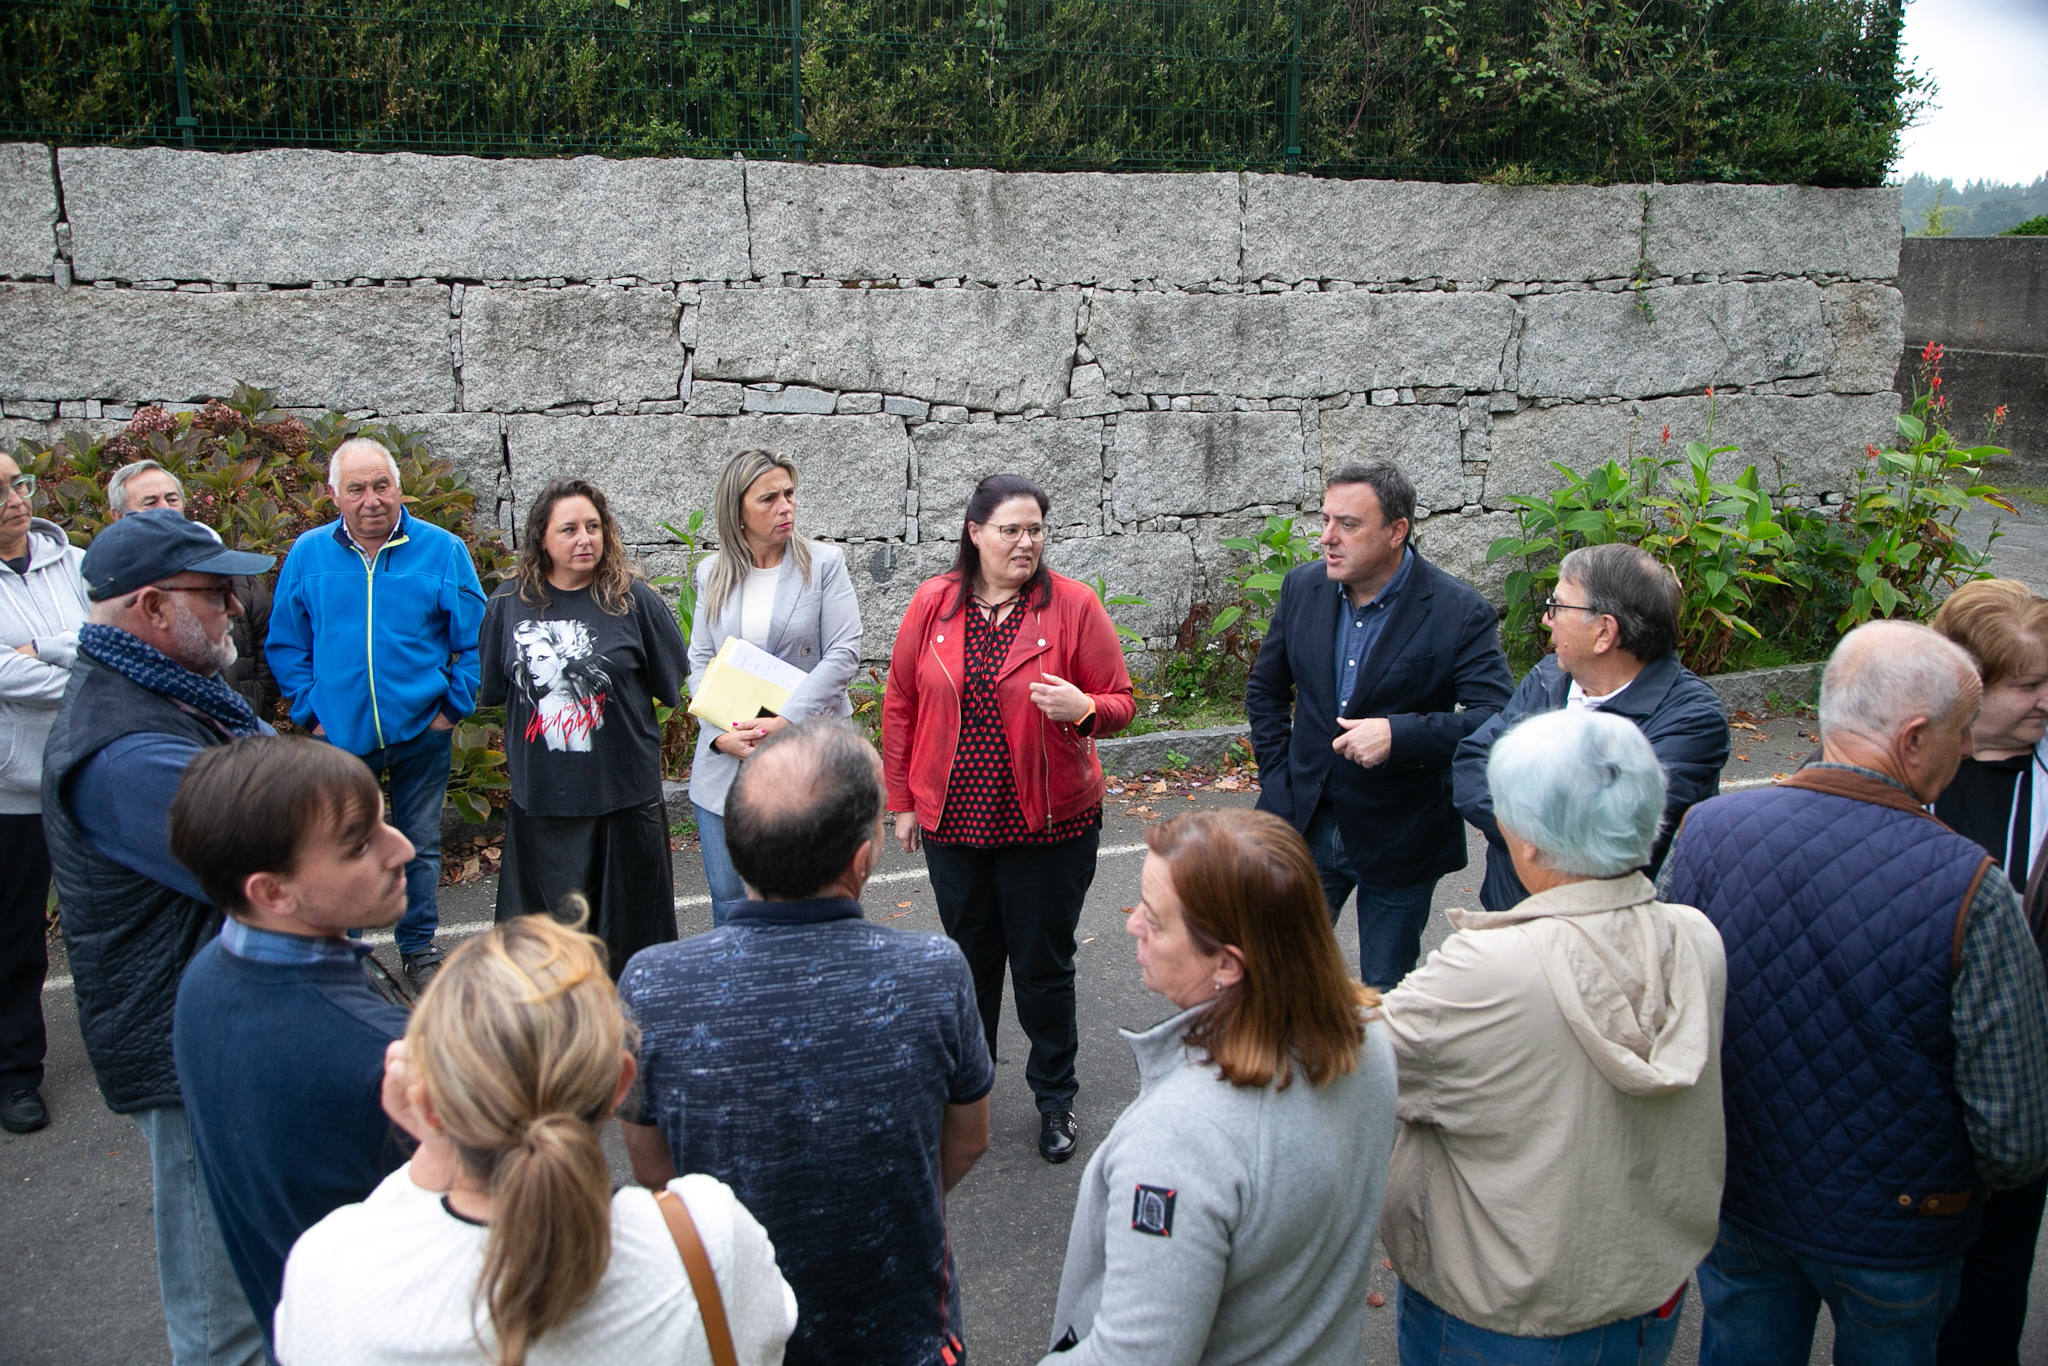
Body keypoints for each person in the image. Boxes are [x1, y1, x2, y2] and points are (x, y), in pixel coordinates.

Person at [1659, 620, 2048, 1366]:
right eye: (1961, 731)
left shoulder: (1706, 831)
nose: (1969, 747)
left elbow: (1663, 1010)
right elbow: (2014, 1139)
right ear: (1914, 738)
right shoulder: (1973, 889)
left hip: (1741, 1201)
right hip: (1901, 1229)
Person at [620, 722, 992, 1366]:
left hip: (732, 1328)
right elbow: (969, 1139)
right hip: (902, 1331)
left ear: (735, 846)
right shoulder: (934, 972)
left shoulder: (653, 984)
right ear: (861, 860)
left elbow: (653, 1170)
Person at [276, 912, 797, 1366]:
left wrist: (430, 1142)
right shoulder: (707, 1238)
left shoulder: (330, 1272)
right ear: (620, 1083)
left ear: (431, 1105)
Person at [1380, 708, 1727, 1363]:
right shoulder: (1695, 939)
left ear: (1529, 842)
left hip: (1501, 1311)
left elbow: (1359, 1062)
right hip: (1642, 1286)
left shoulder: (1491, 967)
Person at [43, 511, 276, 1366]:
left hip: (216, 1028)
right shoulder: (125, 750)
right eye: (215, 592)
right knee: (222, 1317)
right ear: (150, 606)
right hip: (183, 1055)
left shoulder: (174, 693)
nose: (234, 608)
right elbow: (275, 859)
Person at [1041, 807, 1397, 1362]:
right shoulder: (1366, 1040)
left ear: (1229, 965)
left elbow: (1135, 1354)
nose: (1133, 924)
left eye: (1155, 918)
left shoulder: (1179, 1140)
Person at [883, 473, 1134, 1163]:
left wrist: (1084, 708)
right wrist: (901, 801)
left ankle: (1055, 1098)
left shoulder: (1073, 606)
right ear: (975, 533)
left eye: (1035, 530)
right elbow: (901, 702)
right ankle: (971, 1096)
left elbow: (1120, 701)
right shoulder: (933, 603)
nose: (1026, 543)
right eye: (1011, 530)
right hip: (955, 821)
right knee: (970, 967)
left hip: (1049, 825)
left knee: (1042, 968)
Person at [169, 735, 415, 1349]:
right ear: (273, 892)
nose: (403, 848)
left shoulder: (206, 978)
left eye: (384, 820)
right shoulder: (381, 1057)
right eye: (360, 845)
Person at [1246, 461, 1512, 987]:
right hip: (1305, 821)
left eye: (1348, 524)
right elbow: (1266, 690)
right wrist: (1279, 778)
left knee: (1387, 994)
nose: (1327, 537)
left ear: (1397, 531)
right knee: (1278, 981)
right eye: (1326, 520)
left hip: (1401, 833)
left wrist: (1400, 735)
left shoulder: (1459, 611)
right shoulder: (1303, 587)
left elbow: (1497, 717)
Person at [267, 437, 487, 990]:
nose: (371, 500)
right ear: (334, 496)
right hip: (338, 739)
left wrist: (450, 710)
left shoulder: (442, 550)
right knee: (341, 848)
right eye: (356, 489)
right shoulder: (308, 554)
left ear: (399, 488)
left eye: (381, 485)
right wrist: (311, 714)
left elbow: (477, 640)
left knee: (419, 847)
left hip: (422, 732)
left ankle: (419, 949)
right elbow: (287, 643)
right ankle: (348, 957)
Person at [479, 478, 689, 969]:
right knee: (546, 958)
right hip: (544, 804)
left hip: (625, 802)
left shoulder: (634, 600)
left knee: (632, 950)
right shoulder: (506, 605)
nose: (584, 539)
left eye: (593, 527)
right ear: (541, 538)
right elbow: (495, 690)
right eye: (569, 529)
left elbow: (675, 681)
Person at [1455, 542, 1728, 912]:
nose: (1546, 619)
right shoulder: (1548, 678)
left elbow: (1617, 829)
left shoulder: (1691, 719)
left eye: (1557, 606)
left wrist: (1518, 818)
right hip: (1512, 913)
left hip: (1609, 930)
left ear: (1604, 632)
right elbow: (1472, 762)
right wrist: (1542, 825)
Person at [1927, 579, 2048, 1366]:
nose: (2047, 701)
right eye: (2028, 685)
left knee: (1997, 1271)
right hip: (1922, 1075)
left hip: (2021, 1072)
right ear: (1968, 685)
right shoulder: (1907, 761)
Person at [686, 449, 862, 925]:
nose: (786, 506)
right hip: (728, 761)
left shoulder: (824, 563)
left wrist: (785, 720)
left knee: (813, 900)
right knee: (731, 906)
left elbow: (843, 653)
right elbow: (700, 661)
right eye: (769, 498)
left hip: (808, 755)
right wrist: (719, 734)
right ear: (738, 510)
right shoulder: (711, 572)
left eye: (789, 493)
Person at [0, 452, 89, 1134]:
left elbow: (111, 640)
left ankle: (135, 1046)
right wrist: (77, 658)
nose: (14, 499)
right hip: (14, 791)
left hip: (88, 773)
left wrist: (40, 648)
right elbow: (6, 675)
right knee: (16, 939)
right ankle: (15, 1073)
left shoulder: (78, 563)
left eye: (17, 484)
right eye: (0, 491)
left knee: (109, 921)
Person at [107, 458, 279, 722]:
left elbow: (268, 646)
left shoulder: (237, 573)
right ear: (119, 516)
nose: (166, 510)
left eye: (172, 499)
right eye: (150, 503)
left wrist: (256, 705)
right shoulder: (111, 589)